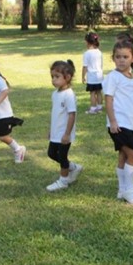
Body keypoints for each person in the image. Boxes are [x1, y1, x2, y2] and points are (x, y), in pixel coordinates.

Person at [104, 39, 133, 204]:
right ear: (113, 58)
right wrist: (113, 121)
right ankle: (129, 189)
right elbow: (108, 100)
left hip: (130, 123)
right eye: (118, 57)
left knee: (124, 155)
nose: (121, 60)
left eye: (125, 57)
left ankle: (122, 189)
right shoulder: (112, 77)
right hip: (119, 124)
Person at [46, 60, 83, 191]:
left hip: (64, 133)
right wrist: (51, 130)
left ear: (67, 77)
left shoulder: (69, 95)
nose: (53, 80)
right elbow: (55, 113)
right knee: (51, 153)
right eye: (52, 77)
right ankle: (74, 167)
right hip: (56, 132)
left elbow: (72, 115)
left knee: (62, 156)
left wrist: (67, 134)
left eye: (57, 77)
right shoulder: (55, 94)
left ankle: (63, 181)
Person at [82, 32, 104, 114]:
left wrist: (83, 77)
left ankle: (93, 108)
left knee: (92, 93)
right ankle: (99, 107)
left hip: (92, 76)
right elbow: (101, 65)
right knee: (99, 92)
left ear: (87, 42)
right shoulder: (99, 52)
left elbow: (85, 66)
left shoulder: (87, 53)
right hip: (99, 75)